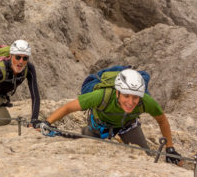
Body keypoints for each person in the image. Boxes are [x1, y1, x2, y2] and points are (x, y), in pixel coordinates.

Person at [45, 69, 183, 165]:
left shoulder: (146, 101)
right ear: (117, 93)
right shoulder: (102, 96)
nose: (130, 102)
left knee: (145, 156)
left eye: (135, 97)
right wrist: (47, 123)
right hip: (100, 124)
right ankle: (88, 132)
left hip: (127, 126)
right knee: (90, 151)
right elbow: (68, 107)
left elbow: (162, 120)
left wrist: (170, 148)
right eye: (126, 95)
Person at [0, 39, 41, 127]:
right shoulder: (1, 68)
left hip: (2, 95)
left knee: (2, 116)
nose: (21, 61)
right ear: (11, 56)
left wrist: (34, 119)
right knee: (4, 119)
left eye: (25, 58)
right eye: (18, 57)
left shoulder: (29, 69)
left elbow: (35, 95)